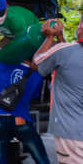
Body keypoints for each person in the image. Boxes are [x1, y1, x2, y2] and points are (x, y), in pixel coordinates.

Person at [0, 48, 50, 164]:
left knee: (0, 155)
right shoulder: (36, 74)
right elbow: (35, 96)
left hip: (0, 117)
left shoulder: (1, 66)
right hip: (20, 118)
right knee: (40, 155)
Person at [33, 15, 83, 164]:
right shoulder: (68, 52)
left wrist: (49, 37)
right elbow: (66, 59)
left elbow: (38, 62)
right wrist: (60, 37)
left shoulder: (65, 51)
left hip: (71, 133)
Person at [0, 0, 45, 64]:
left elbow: (22, 43)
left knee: (18, 59)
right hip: (11, 36)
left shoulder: (15, 19)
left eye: (0, 13)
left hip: (32, 36)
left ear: (7, 8)